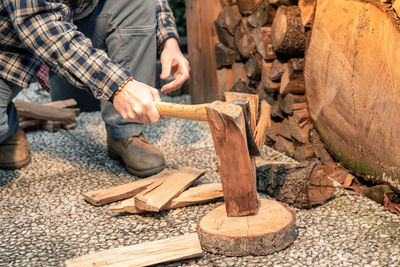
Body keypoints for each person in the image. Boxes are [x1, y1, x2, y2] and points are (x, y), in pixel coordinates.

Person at [0, 0, 190, 177]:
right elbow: (40, 26)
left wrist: (168, 40)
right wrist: (118, 86)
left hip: (75, 25)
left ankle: (125, 133)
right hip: (10, 46)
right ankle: (9, 124)